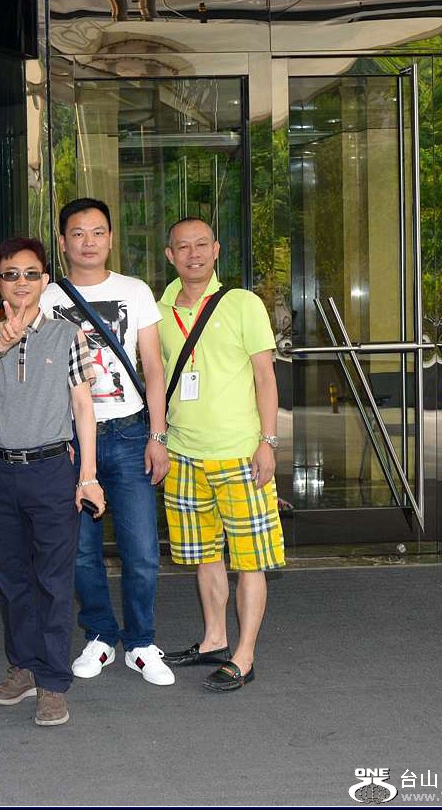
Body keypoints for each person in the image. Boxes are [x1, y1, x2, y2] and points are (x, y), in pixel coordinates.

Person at [0, 237, 105, 728]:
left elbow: (83, 406)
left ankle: (53, 682)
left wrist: (88, 476)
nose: (21, 282)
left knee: (54, 580)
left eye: (31, 274)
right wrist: (0, 343)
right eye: (11, 274)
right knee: (11, 576)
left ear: (45, 281)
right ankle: (22, 667)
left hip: (51, 470)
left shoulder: (68, 335)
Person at [40, 198, 175, 687]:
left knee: (142, 551)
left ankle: (140, 642)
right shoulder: (47, 297)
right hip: (72, 441)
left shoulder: (134, 291)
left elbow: (153, 368)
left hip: (130, 432)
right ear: (63, 242)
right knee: (81, 552)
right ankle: (99, 634)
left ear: (111, 239)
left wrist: (157, 435)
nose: (88, 242)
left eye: (98, 232)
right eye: (78, 233)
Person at [155, 218, 284, 692]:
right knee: (204, 556)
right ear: (170, 256)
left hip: (240, 455)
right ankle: (214, 639)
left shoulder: (243, 303)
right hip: (184, 456)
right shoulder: (159, 311)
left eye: (201, 245)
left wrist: (268, 442)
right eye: (183, 247)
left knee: (250, 559)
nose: (193, 254)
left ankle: (244, 655)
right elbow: (156, 378)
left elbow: (265, 378)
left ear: (217, 250)